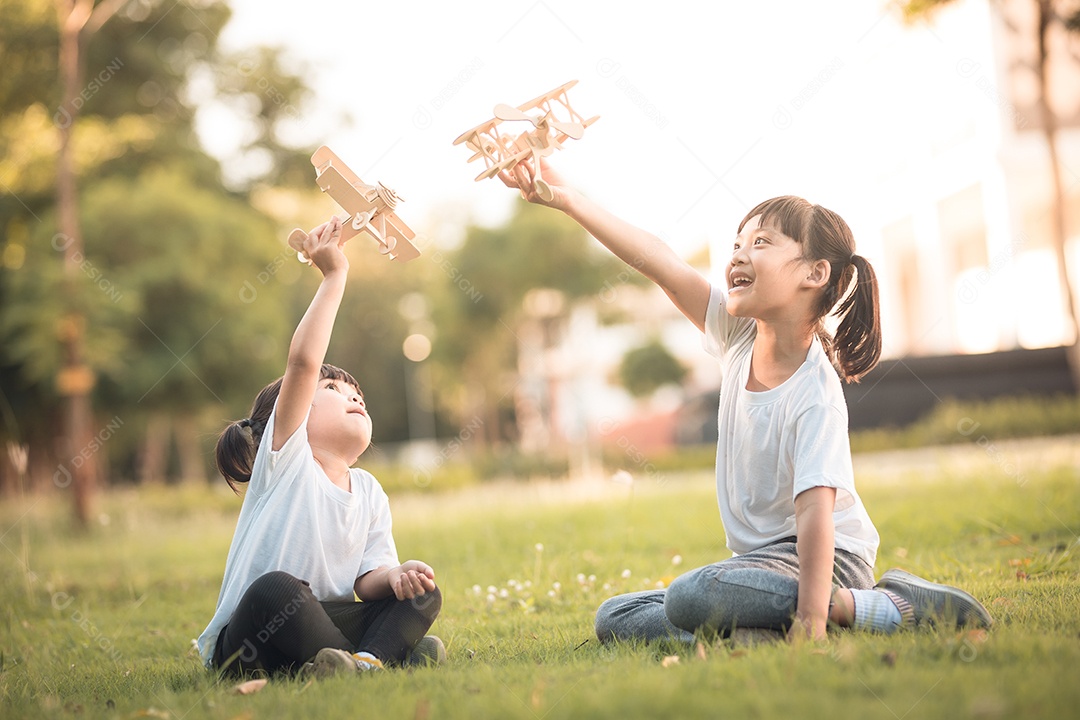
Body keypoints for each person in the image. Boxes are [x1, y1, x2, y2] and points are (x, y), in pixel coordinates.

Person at [500, 160, 993, 643]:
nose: (737, 254)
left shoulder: (813, 393)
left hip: (830, 562)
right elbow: (660, 263)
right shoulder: (738, 337)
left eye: (761, 243)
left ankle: (877, 607)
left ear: (815, 273)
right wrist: (566, 199)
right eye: (737, 243)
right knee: (617, 616)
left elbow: (816, 519)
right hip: (759, 567)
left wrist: (811, 623)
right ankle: (750, 634)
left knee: (690, 598)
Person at [197, 216, 444, 677]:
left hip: (320, 625)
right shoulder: (286, 460)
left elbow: (367, 581)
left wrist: (398, 576)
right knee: (279, 591)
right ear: (290, 416)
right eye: (332, 390)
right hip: (251, 641)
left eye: (359, 397)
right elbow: (304, 361)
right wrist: (334, 274)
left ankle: (364, 662)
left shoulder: (368, 490)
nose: (353, 397)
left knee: (424, 592)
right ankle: (388, 655)